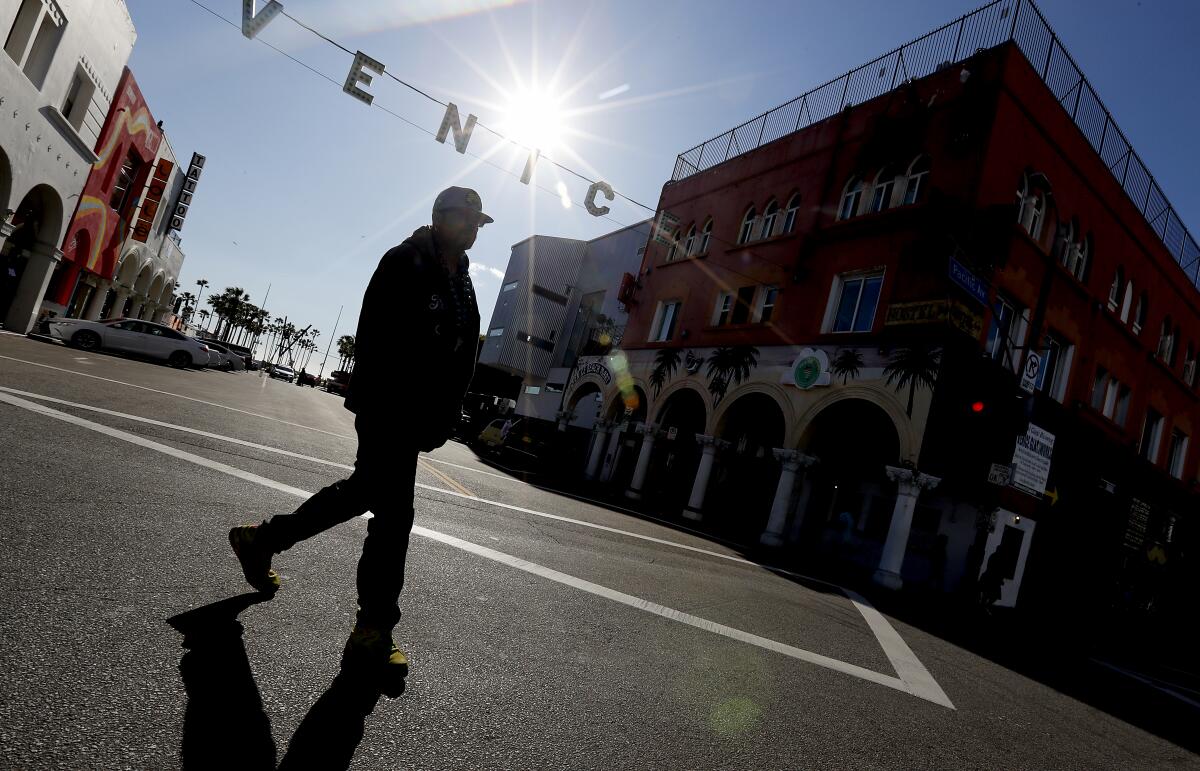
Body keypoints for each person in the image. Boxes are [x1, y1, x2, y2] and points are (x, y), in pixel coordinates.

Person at [228, 186, 489, 682]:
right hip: (389, 409)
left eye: (479, 221)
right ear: (440, 217)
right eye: (466, 218)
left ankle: (263, 540)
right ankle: (372, 629)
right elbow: (375, 338)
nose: (474, 227)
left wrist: (447, 412)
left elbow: (461, 354)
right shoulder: (405, 262)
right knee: (392, 518)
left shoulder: (464, 281)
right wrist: (390, 405)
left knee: (368, 496)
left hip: (419, 419)